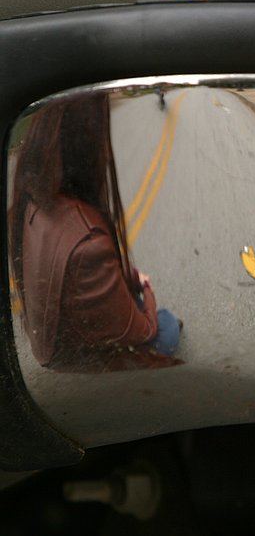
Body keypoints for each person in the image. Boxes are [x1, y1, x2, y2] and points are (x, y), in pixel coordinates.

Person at [8, 92, 182, 372]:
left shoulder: (31, 202)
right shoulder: (88, 244)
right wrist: (148, 289)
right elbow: (146, 331)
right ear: (87, 142)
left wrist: (129, 278)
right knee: (167, 326)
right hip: (79, 359)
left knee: (135, 296)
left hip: (55, 340)